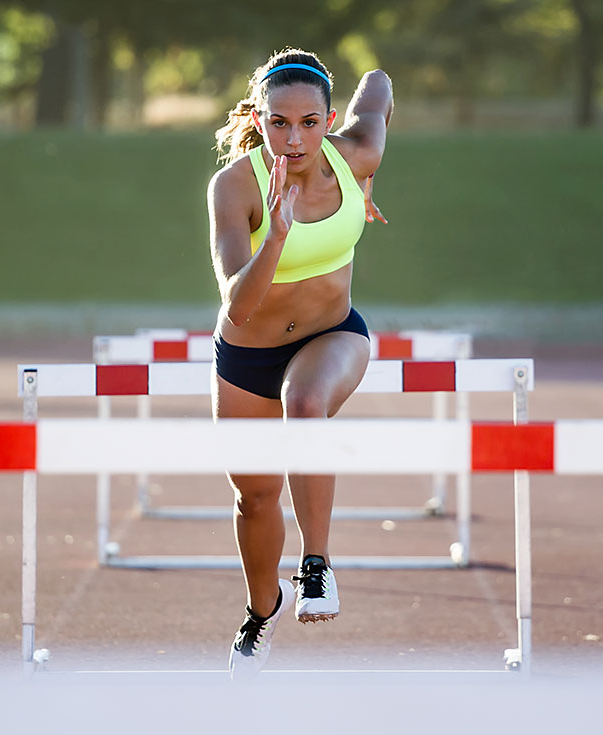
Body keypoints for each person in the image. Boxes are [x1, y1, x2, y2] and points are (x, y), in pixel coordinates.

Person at [208, 47, 392, 679]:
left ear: (329, 118)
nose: (294, 138)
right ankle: (262, 612)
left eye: (310, 123)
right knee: (255, 498)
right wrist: (277, 236)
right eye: (279, 123)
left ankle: (317, 564)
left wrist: (368, 181)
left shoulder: (357, 151)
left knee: (307, 404)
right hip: (249, 353)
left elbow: (379, 83)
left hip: (332, 334)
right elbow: (237, 306)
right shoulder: (235, 186)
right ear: (258, 121)